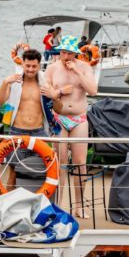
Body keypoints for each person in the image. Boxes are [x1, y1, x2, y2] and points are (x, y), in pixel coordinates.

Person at [45, 36, 98, 218]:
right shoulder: (52, 68)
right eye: (62, 52)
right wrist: (59, 92)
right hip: (59, 118)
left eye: (68, 53)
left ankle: (79, 204)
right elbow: (45, 91)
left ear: (75, 53)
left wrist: (77, 72)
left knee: (80, 163)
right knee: (60, 164)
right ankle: (59, 204)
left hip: (79, 119)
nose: (65, 56)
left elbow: (93, 91)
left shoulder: (84, 67)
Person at [0, 49, 61, 189]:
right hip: (17, 131)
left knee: (45, 169)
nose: (30, 69)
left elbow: (59, 109)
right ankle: (8, 204)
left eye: (34, 66)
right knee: (13, 171)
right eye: (28, 66)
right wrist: (5, 82)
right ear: (22, 65)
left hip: (39, 132)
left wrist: (55, 96)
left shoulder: (44, 82)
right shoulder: (14, 81)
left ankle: (39, 203)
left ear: (39, 65)